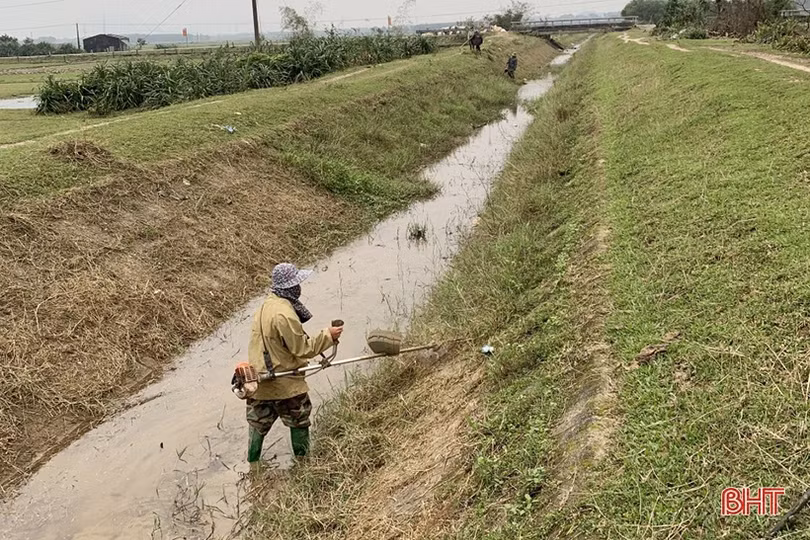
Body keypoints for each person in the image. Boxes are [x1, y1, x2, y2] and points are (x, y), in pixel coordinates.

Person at [245, 262, 344, 467]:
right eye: (297, 283)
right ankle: (303, 465)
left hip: (259, 380)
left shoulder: (265, 306)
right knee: (299, 420)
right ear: (290, 287)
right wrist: (328, 335)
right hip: (285, 381)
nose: (300, 287)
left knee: (257, 423)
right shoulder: (285, 314)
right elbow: (303, 349)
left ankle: (253, 466)